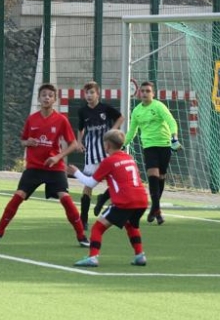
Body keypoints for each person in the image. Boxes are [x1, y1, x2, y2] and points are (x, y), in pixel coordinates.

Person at [0, 84, 88, 247]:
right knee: (18, 196)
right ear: (39, 98)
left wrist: (57, 157)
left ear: (54, 100)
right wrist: (27, 142)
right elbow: (23, 140)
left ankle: (81, 236)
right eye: (44, 95)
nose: (47, 98)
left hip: (54, 168)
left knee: (65, 198)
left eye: (50, 95)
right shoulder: (32, 119)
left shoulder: (61, 120)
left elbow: (73, 144)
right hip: (34, 167)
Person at [68, 129, 148, 268]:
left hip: (125, 202)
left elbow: (90, 183)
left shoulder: (109, 161)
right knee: (131, 224)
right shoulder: (129, 158)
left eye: (104, 143)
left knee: (97, 228)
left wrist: (76, 172)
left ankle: (92, 257)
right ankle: (140, 255)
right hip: (142, 200)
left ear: (108, 145)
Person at [123, 80, 181, 225]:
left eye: (148, 91)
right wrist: (122, 144)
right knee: (153, 176)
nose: (145, 93)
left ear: (153, 94)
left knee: (161, 177)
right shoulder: (137, 111)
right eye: (142, 91)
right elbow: (132, 131)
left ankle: (154, 209)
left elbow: (171, 121)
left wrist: (174, 136)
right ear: (139, 93)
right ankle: (158, 211)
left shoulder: (159, 106)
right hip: (149, 146)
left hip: (165, 145)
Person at [75, 81, 124, 230]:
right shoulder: (82, 111)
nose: (89, 95)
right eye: (87, 93)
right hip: (91, 152)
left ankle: (102, 199)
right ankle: (83, 219)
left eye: (92, 92)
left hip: (107, 151)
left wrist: (112, 131)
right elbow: (80, 128)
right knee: (88, 184)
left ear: (98, 94)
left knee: (116, 180)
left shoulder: (105, 108)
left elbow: (120, 118)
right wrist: (79, 142)